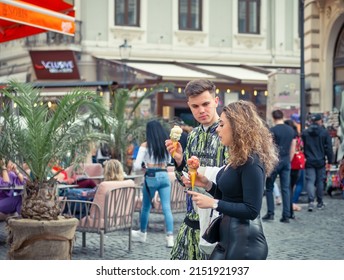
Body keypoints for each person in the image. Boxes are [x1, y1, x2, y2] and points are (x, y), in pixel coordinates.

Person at [186, 100, 278, 259]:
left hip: (245, 244)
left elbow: (251, 210)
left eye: (222, 125)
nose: (217, 130)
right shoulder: (238, 157)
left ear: (237, 127)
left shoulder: (252, 162)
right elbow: (230, 196)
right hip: (228, 238)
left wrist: (213, 203)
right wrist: (207, 184)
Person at [165, 79, 227, 260]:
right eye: (195, 106)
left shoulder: (228, 133)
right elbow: (184, 179)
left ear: (216, 101)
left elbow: (233, 181)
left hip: (218, 223)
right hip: (191, 220)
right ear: (189, 106)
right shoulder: (192, 136)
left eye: (206, 104)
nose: (201, 110)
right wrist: (179, 161)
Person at [132, 120, 174, 248]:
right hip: (164, 175)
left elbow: (136, 166)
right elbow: (169, 160)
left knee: (145, 207)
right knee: (167, 207)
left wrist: (145, 165)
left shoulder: (145, 145)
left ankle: (142, 234)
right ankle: (170, 238)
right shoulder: (166, 145)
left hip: (151, 176)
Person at [263, 110, 296, 223]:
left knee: (269, 187)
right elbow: (293, 147)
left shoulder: (272, 130)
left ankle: (270, 213)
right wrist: (288, 160)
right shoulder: (291, 130)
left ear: (273, 118)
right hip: (286, 160)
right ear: (283, 117)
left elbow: (268, 147)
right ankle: (286, 215)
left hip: (274, 161)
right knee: (286, 188)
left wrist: (268, 161)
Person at [301, 113, 333, 211]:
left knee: (310, 181)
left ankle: (311, 202)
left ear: (311, 121)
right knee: (320, 181)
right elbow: (329, 148)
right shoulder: (324, 133)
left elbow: (302, 146)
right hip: (320, 160)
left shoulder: (305, 133)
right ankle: (319, 202)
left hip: (309, 160)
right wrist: (330, 161)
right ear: (320, 121)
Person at [284, 119, 303, 216]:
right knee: (292, 186)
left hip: (290, 162)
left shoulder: (288, 136)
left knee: (288, 188)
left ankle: (289, 210)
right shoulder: (298, 136)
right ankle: (291, 209)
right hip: (297, 164)